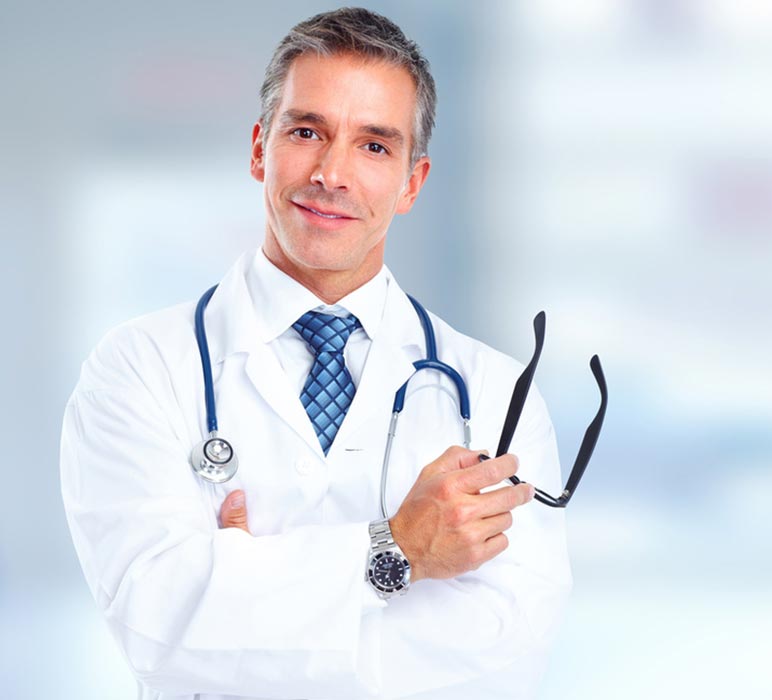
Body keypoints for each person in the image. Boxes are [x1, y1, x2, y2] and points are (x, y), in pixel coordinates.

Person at [58, 8, 571, 699]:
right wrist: (399, 551)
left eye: (374, 146)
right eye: (306, 132)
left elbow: (505, 655)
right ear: (258, 149)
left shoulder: (497, 395)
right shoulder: (137, 369)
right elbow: (158, 626)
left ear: (412, 183)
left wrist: (242, 594)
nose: (332, 174)